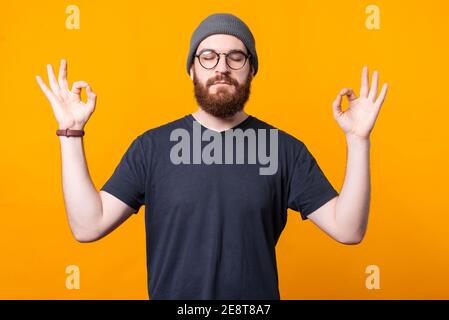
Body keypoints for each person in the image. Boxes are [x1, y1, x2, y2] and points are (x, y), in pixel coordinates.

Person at [36, 13, 388, 300]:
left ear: (251, 70)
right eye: (208, 56)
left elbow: (349, 229)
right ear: (192, 69)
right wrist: (71, 132)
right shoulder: (152, 147)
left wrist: (358, 140)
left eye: (236, 56)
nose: (221, 67)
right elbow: (87, 225)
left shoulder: (283, 150)